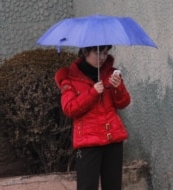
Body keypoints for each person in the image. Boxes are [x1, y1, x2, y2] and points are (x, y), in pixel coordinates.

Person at [55, 45, 131, 190]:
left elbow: (123, 103)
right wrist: (92, 93)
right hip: (87, 143)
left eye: (105, 53)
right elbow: (69, 108)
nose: (103, 57)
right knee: (87, 186)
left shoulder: (111, 73)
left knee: (113, 186)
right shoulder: (70, 79)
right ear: (85, 52)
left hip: (113, 139)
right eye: (97, 53)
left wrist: (118, 87)